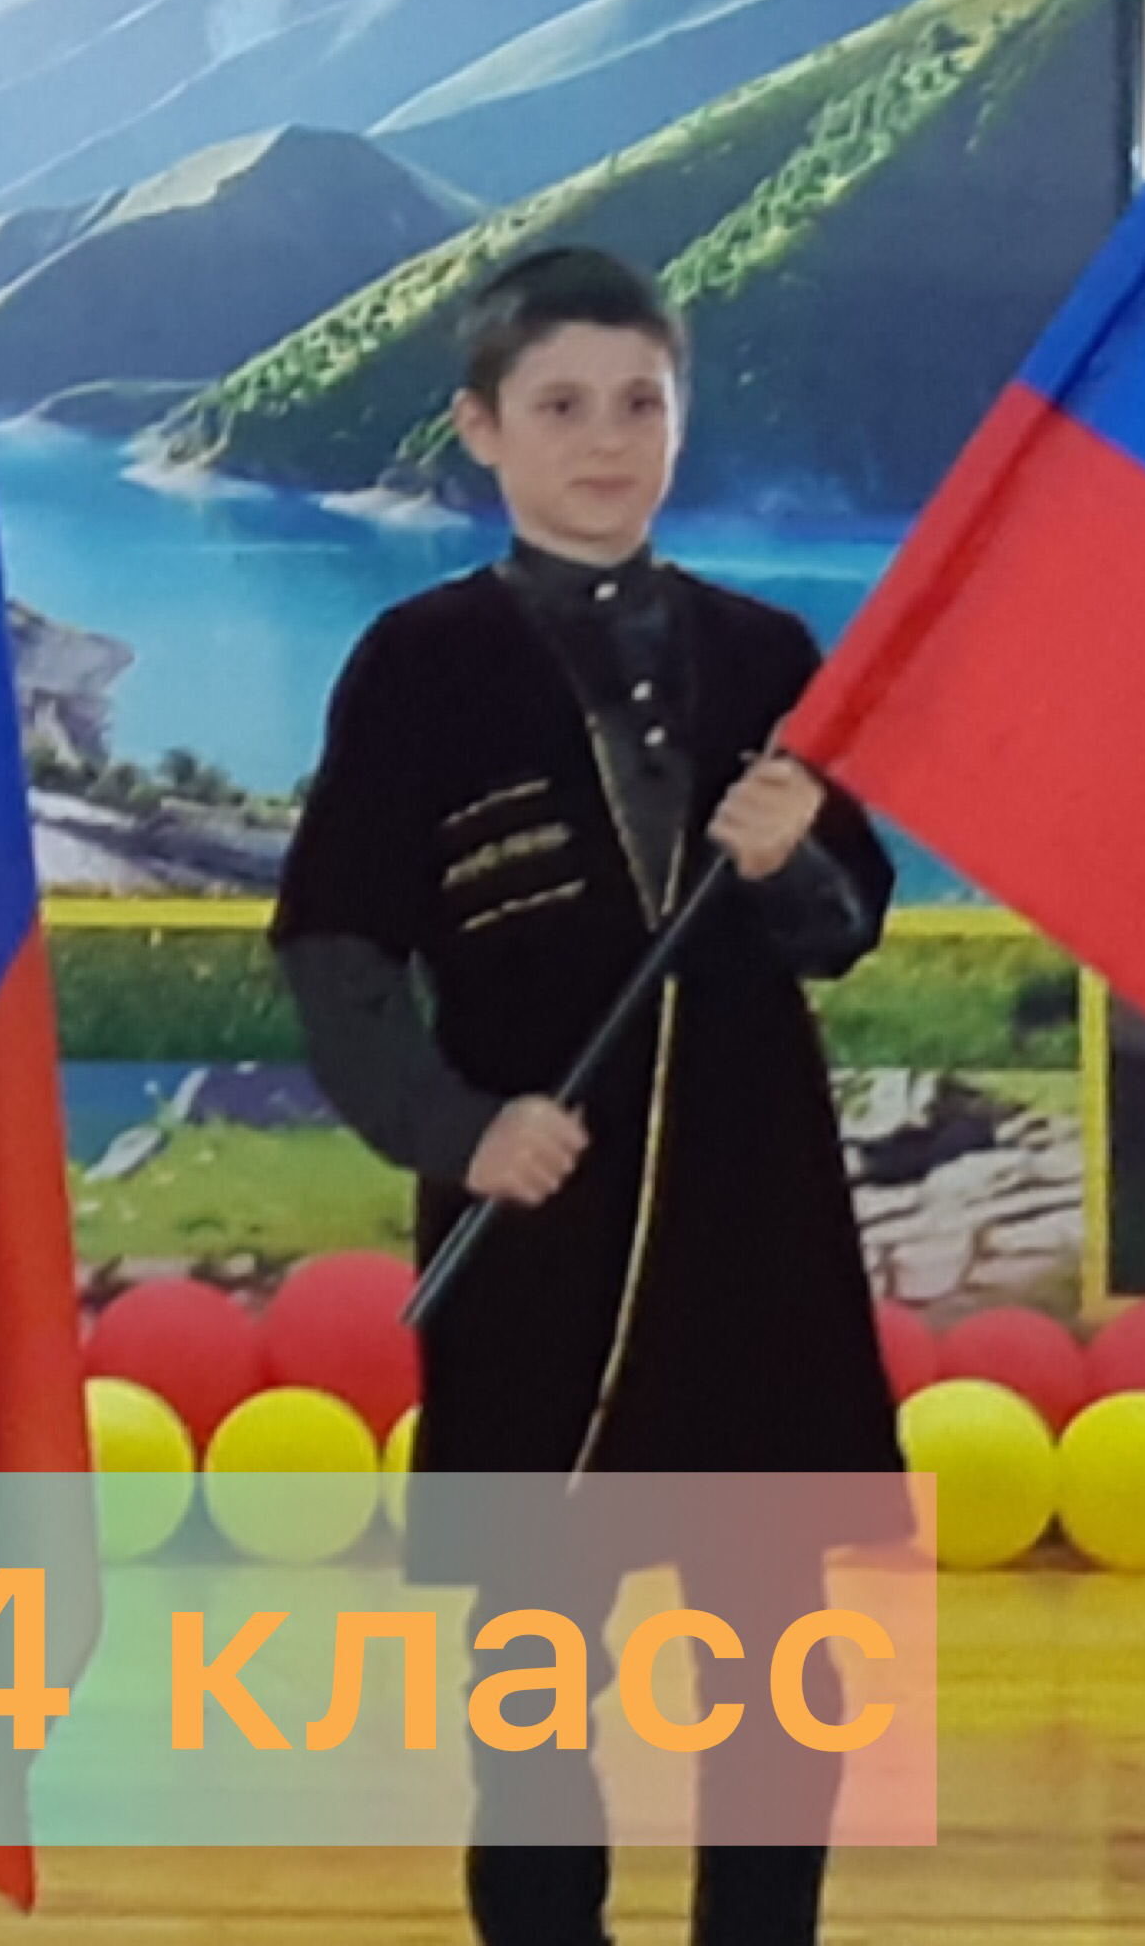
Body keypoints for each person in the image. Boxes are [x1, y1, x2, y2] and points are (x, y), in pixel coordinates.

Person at [269, 246, 903, 1946]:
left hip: (753, 1231)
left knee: (776, 1683)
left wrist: (787, 862)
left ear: (679, 419)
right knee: (532, 1698)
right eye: (559, 405)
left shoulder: (768, 649)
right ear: (481, 427)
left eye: (639, 402)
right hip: (534, 1239)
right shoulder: (416, 660)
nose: (605, 440)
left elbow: (846, 925)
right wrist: (456, 1128)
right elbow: (333, 943)